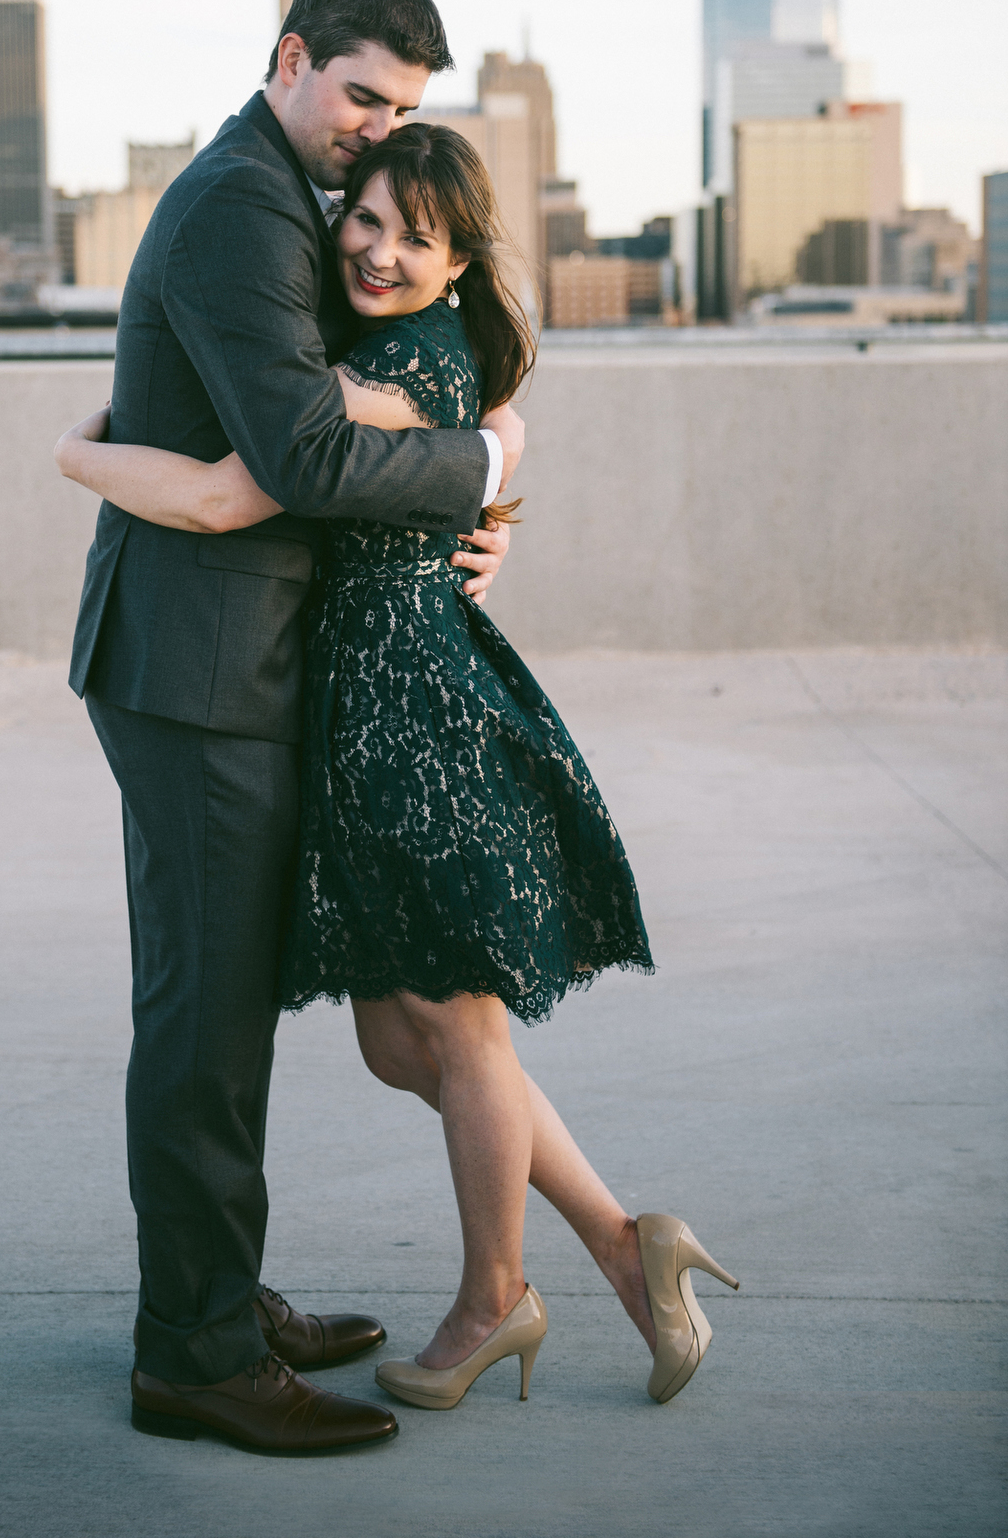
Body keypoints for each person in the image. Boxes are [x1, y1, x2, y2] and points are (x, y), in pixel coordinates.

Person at [59, 123, 739, 1417]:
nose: (375, 250)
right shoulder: (402, 357)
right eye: (362, 221)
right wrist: (484, 465)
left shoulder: (382, 380)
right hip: (376, 707)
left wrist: (75, 453)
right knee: (404, 1039)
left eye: (413, 238)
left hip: (408, 719)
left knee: (459, 1029)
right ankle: (621, 1240)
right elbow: (452, 450)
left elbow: (224, 495)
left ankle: (496, 1301)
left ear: (460, 264)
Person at [64, 0, 525, 1456]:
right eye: (362, 97)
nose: (374, 131)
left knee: (218, 1007)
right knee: (202, 1019)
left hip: (220, 661)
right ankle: (193, 1354)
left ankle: (212, 1293)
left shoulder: (280, 195)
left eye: (403, 108)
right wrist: (481, 468)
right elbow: (311, 460)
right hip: (198, 675)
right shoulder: (240, 207)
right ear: (291, 56)